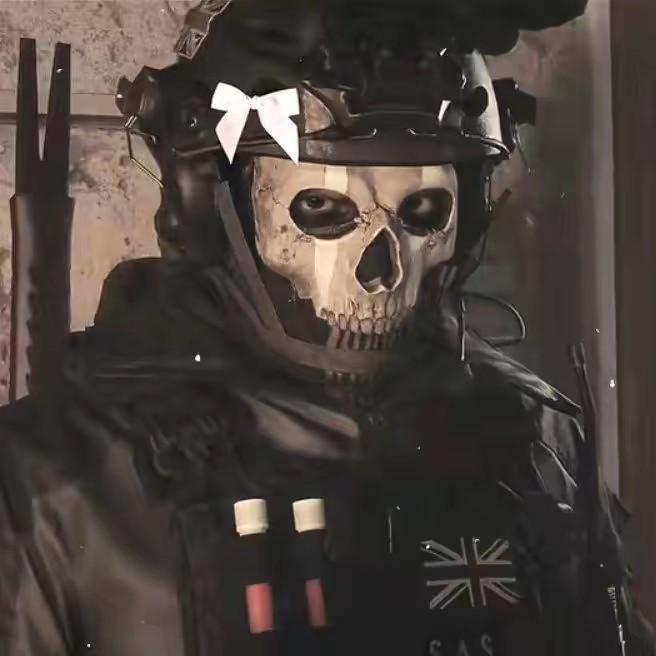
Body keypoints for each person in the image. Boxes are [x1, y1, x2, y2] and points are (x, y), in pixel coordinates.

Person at [0, 1, 654, 654]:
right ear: (213, 203)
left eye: (423, 209)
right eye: (321, 206)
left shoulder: (539, 441)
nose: (382, 274)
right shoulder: (60, 482)